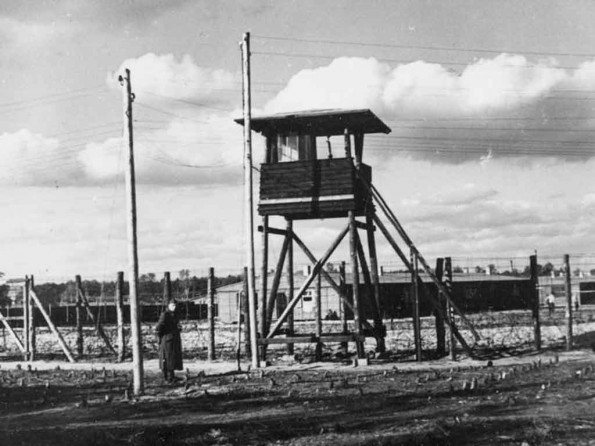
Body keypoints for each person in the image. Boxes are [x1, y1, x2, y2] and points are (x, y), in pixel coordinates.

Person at [155, 299, 183, 383]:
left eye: (175, 305)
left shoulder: (175, 314)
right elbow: (158, 328)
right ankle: (167, 377)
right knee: (166, 358)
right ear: (168, 306)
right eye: (172, 305)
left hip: (173, 339)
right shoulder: (165, 315)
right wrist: (160, 337)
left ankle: (172, 376)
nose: (174, 307)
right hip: (167, 340)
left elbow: (175, 325)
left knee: (172, 359)